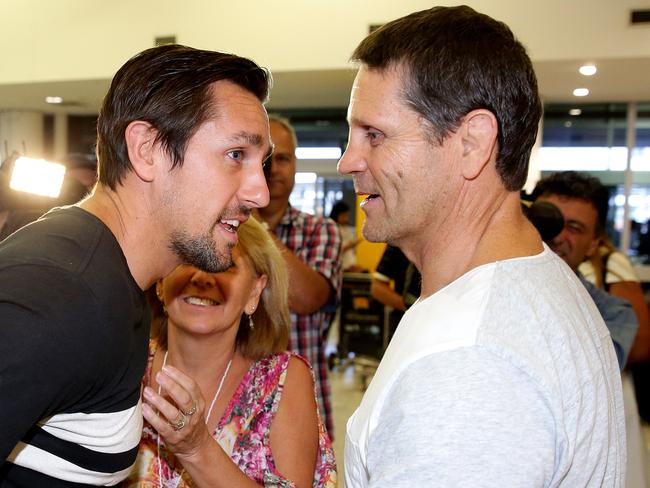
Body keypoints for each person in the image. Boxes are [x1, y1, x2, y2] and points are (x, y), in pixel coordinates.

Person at [338, 6, 625, 487]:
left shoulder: (468, 366)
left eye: (375, 135)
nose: (349, 161)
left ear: (472, 143)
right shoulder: (529, 282)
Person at [0, 44, 271, 486]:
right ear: (147, 149)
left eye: (261, 163)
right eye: (236, 155)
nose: (259, 192)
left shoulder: (118, 281)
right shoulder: (60, 293)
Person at [125, 218, 336, 487]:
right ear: (160, 281)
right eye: (188, 259)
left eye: (225, 264)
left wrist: (197, 448)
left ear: (254, 291)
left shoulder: (282, 381)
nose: (202, 277)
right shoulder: (126, 364)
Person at [256, 116, 342, 437]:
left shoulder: (321, 231)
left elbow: (309, 298)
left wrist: (253, 229)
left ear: (295, 164)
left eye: (283, 158)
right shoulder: (223, 229)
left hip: (302, 405)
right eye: (265, 159)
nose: (274, 168)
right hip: (234, 403)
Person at [533, 170, 650, 366]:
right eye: (547, 221)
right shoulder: (486, 282)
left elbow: (589, 374)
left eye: (574, 228)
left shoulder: (614, 313)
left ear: (593, 244)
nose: (557, 236)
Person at [329, 200, 361, 272]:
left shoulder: (345, 227)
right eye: (344, 215)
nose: (346, 218)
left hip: (350, 263)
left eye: (347, 215)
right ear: (336, 214)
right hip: (340, 267)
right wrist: (349, 246)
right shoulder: (332, 228)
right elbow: (334, 251)